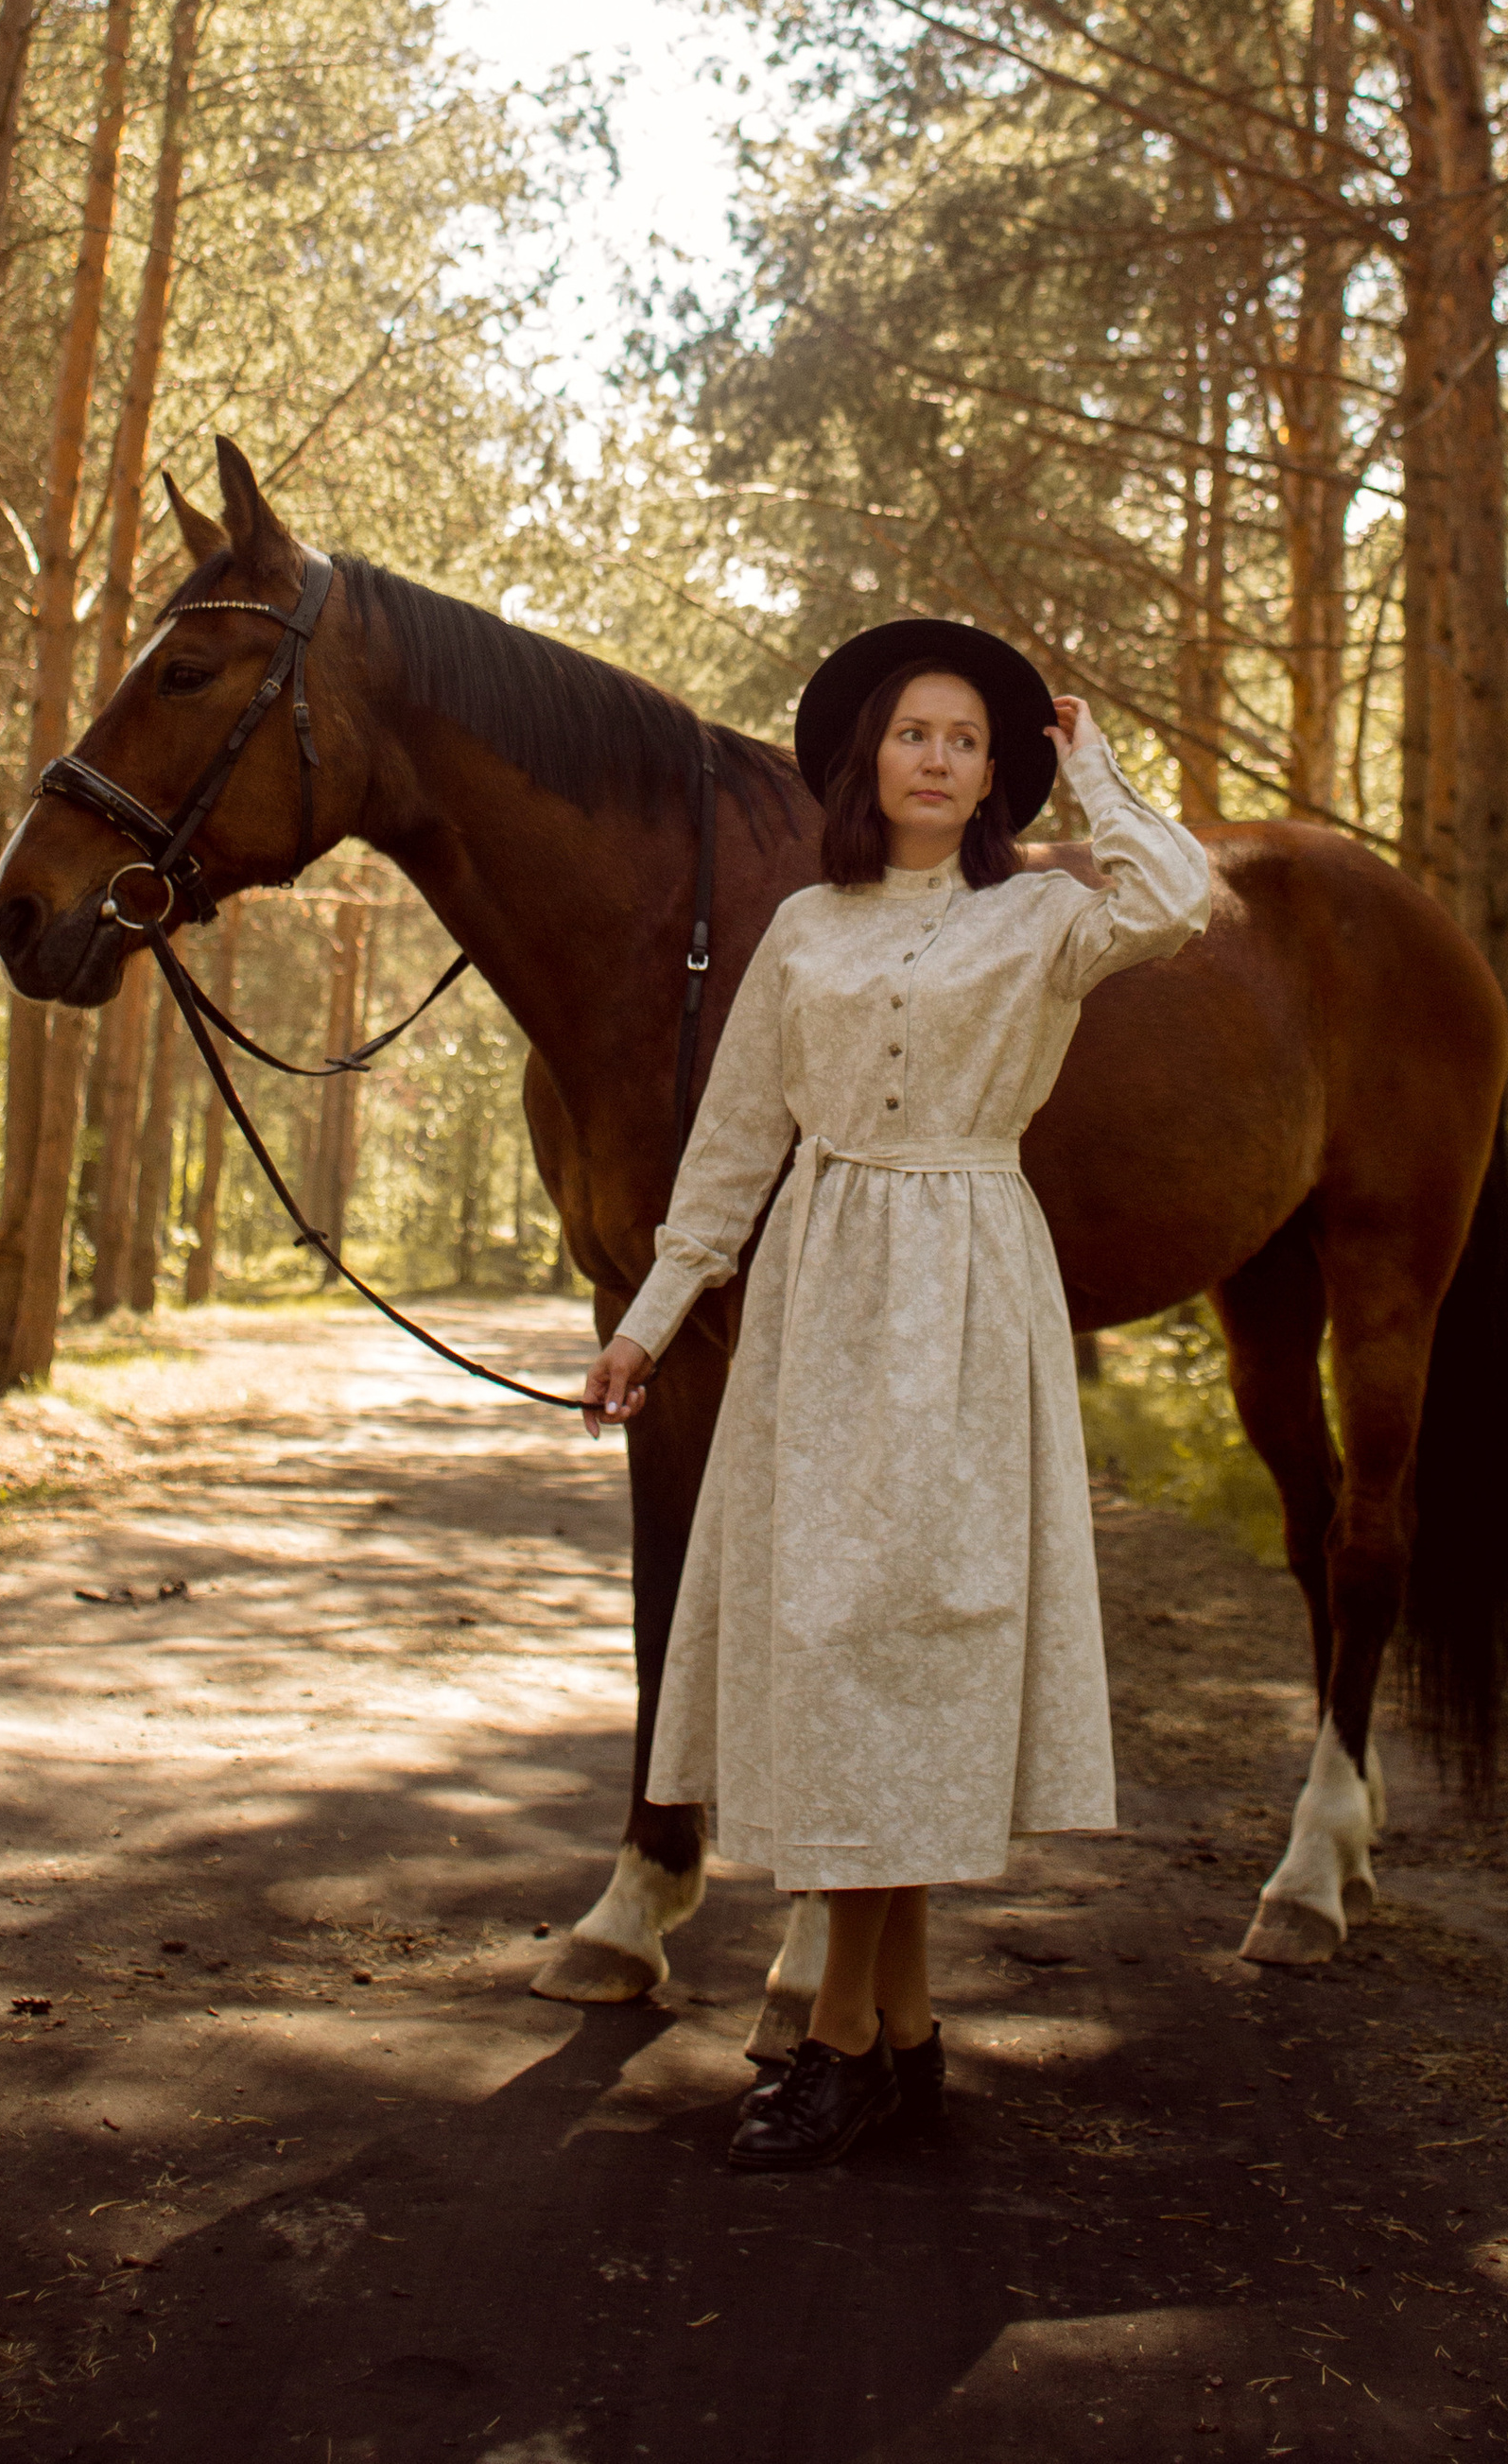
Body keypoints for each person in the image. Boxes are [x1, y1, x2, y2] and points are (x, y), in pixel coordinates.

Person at [581, 616, 1213, 2172]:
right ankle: (902, 2038)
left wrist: (1095, 772)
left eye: (967, 741)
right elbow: (733, 1147)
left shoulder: (1041, 916)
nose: (936, 759)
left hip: (968, 1299)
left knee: (907, 1657)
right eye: (914, 734)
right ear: (868, 760)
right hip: (818, 1306)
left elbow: (1178, 899)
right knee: (837, 1659)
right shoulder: (804, 929)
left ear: (997, 776)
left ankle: (845, 2039)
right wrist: (648, 1326)